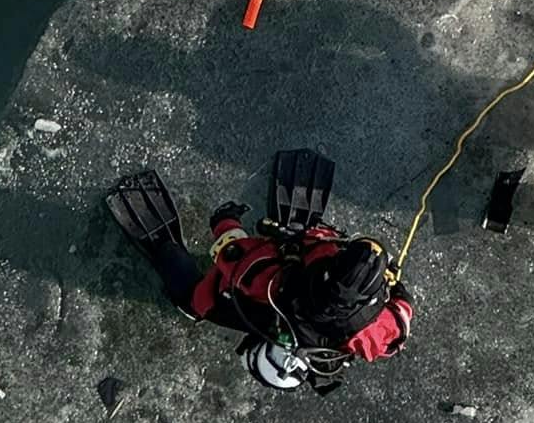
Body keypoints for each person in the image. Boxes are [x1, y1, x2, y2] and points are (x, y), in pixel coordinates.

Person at [107, 159, 414, 393]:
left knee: (204, 296)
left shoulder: (369, 335)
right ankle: (168, 254)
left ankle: (174, 259)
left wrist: (225, 222)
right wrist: (225, 223)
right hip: (311, 251)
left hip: (321, 246)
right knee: (195, 302)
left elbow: (403, 314)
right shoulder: (275, 291)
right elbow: (233, 254)